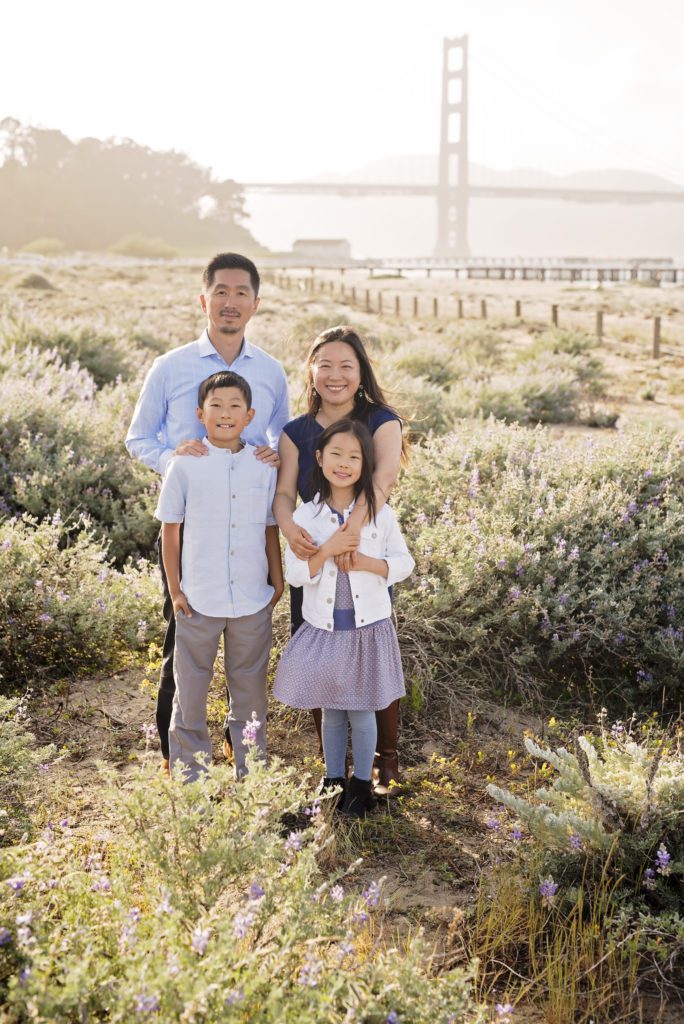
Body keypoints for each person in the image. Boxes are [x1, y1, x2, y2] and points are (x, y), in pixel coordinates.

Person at [126, 253, 289, 771]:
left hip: (249, 528)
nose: (230, 302)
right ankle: (179, 761)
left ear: (256, 304)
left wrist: (272, 457)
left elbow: (280, 439)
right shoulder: (170, 366)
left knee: (246, 662)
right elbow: (138, 438)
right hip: (190, 530)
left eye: (241, 293)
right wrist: (177, 460)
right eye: (221, 291)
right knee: (184, 646)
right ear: (204, 300)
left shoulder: (270, 371)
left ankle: (243, 755)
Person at [273, 325, 407, 795]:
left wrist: (352, 533)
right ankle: (334, 771)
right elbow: (284, 493)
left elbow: (385, 480)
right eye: (325, 364)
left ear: (361, 372)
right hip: (314, 556)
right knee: (320, 660)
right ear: (311, 371)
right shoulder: (296, 432)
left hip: (363, 555)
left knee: (372, 659)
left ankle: (384, 762)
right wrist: (291, 530)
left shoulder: (382, 420)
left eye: (346, 365)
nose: (335, 375)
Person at [155, 370, 283, 781]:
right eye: (216, 406)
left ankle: (252, 775)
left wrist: (277, 579)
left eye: (234, 406)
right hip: (198, 599)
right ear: (200, 413)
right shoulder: (185, 465)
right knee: (190, 694)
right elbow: (170, 530)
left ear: (249, 415)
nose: (225, 413)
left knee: (250, 695)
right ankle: (191, 778)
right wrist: (175, 590)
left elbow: (270, 527)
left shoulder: (263, 466)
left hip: (251, 598)